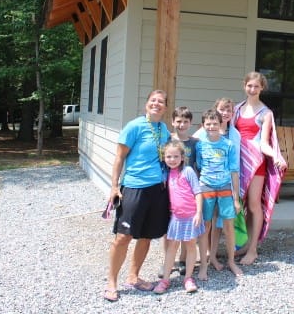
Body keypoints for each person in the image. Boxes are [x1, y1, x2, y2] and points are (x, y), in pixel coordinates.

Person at [103, 90, 171, 302]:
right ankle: (111, 282)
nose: (157, 104)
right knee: (123, 237)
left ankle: (133, 276)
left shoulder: (164, 130)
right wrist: (114, 186)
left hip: (157, 190)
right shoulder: (134, 126)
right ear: (146, 104)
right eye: (153, 100)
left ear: (165, 107)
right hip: (134, 187)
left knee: (147, 236)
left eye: (161, 102)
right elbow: (119, 157)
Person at [233, 71, 287, 266]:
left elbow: (264, 142)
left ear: (262, 88)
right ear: (244, 86)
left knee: (255, 205)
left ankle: (253, 249)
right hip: (238, 161)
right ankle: (245, 244)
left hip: (256, 163)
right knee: (241, 203)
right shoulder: (237, 109)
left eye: (256, 86)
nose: (252, 89)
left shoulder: (266, 113)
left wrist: (276, 157)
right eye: (249, 86)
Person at [193, 98, 241, 271]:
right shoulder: (200, 143)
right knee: (206, 225)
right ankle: (204, 262)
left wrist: (236, 198)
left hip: (225, 188)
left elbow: (234, 170)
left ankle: (230, 261)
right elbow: (198, 166)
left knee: (227, 225)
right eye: (208, 124)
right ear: (204, 125)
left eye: (215, 124)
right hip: (206, 187)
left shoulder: (230, 142)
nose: (212, 126)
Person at [153, 140, 204, 294]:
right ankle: (165, 280)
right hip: (176, 217)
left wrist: (199, 213)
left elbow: (198, 192)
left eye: (176, 156)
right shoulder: (166, 173)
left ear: (182, 157)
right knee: (172, 247)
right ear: (164, 158)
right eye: (168, 156)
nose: (172, 159)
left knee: (190, 246)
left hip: (191, 217)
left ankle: (188, 278)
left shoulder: (188, 171)